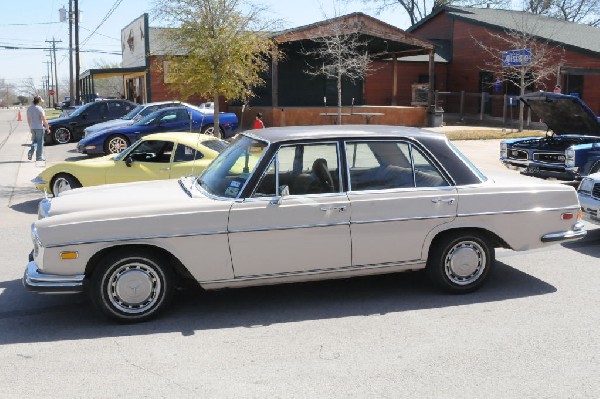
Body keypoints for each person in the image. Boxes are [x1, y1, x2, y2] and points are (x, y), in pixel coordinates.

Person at [26, 96, 50, 161]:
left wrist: (30, 127)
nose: (42, 101)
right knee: (40, 142)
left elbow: (28, 119)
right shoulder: (40, 109)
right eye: (41, 100)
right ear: (39, 101)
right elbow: (44, 120)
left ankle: (31, 152)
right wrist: (48, 128)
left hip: (33, 127)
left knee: (34, 141)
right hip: (39, 128)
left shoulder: (29, 109)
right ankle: (39, 157)